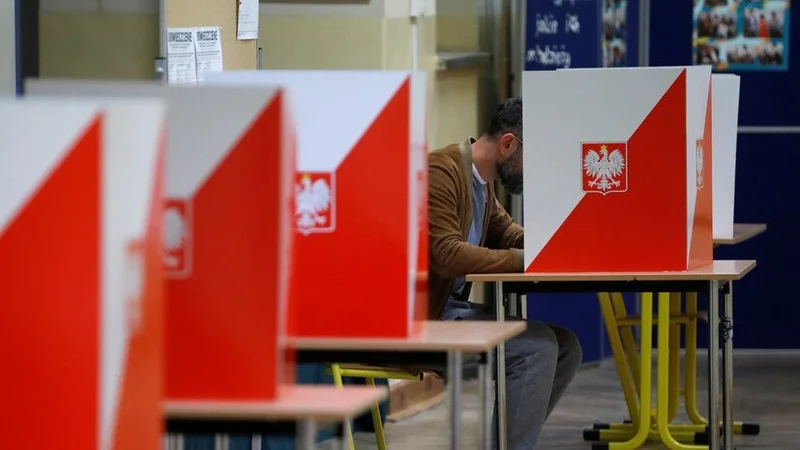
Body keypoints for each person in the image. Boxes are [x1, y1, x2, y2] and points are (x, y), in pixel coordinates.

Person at [427, 97, 582, 449]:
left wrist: (557, 244)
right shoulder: (441, 172)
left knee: (566, 346)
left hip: (450, 312)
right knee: (537, 348)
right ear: (509, 144)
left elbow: (507, 232)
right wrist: (522, 259)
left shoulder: (481, 182)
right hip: (425, 320)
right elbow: (447, 254)